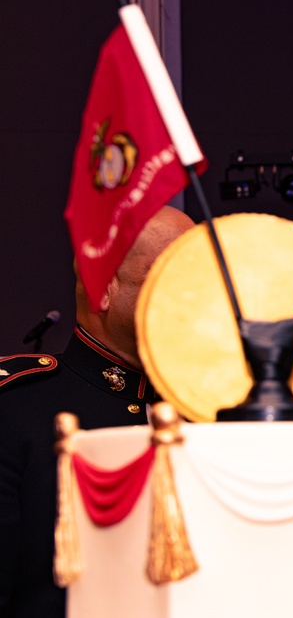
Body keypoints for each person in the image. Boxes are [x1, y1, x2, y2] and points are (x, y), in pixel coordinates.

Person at [0, 205, 195, 618]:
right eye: (171, 279)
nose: (194, 300)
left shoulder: (211, 414)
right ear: (102, 288)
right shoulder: (16, 410)